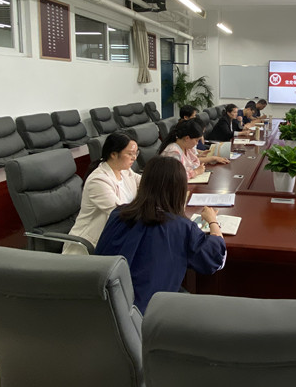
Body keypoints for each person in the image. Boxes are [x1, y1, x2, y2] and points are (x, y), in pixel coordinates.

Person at [95, 156, 226, 314]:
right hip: (146, 317)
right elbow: (215, 259)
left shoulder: (118, 214)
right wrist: (213, 222)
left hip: (102, 308)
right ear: (179, 190)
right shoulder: (182, 227)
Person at [62, 132, 140, 255]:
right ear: (113, 154)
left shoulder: (125, 171)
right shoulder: (98, 180)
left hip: (117, 237)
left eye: (136, 153)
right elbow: (120, 213)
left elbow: (148, 184)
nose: (134, 158)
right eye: (130, 154)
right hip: (92, 247)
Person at [159, 119, 228, 178]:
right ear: (187, 138)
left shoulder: (186, 148)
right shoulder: (173, 152)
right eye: (196, 140)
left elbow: (194, 162)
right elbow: (175, 178)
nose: (197, 143)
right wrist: (196, 172)